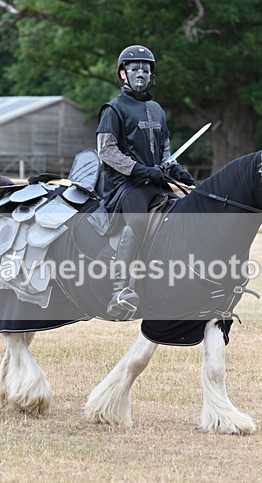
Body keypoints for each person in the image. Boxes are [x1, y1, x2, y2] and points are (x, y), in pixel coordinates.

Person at [97, 44, 195, 317]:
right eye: (134, 68)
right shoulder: (113, 109)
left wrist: (176, 170)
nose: (140, 73)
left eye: (145, 69)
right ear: (122, 74)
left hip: (155, 183)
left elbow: (164, 153)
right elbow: (106, 151)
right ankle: (119, 290)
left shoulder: (157, 109)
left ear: (151, 75)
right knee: (139, 221)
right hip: (125, 185)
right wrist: (140, 170)